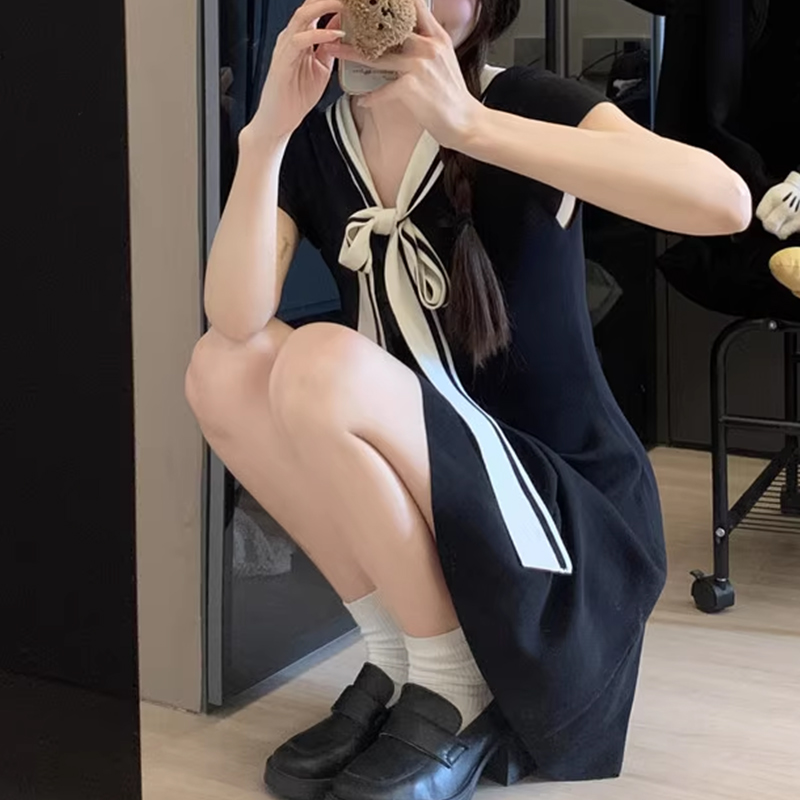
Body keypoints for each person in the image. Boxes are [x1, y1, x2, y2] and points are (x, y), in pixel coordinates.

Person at [185, 1, 752, 799]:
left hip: (561, 514)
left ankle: (455, 685)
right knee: (221, 368)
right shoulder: (319, 139)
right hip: (439, 481)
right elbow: (233, 318)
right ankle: (400, 657)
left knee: (318, 361)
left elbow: (723, 203)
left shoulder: (522, 101)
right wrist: (267, 135)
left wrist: (472, 128)